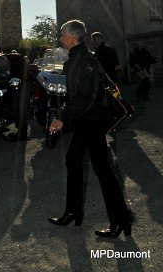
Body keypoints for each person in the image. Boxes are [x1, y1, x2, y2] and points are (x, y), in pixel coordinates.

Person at [48, 19, 132, 238]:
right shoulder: (76, 59)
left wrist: (62, 117)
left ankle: (120, 220)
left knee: (101, 168)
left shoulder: (85, 60)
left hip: (93, 122)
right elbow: (76, 94)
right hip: (87, 121)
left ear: (73, 37)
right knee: (74, 160)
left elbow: (85, 96)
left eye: (62, 35)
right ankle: (74, 212)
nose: (60, 38)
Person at [5, 50, 30, 141]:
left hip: (23, 85)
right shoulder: (17, 58)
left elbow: (11, 74)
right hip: (24, 84)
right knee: (20, 108)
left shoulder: (12, 60)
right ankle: (21, 132)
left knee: (19, 109)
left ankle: (21, 134)